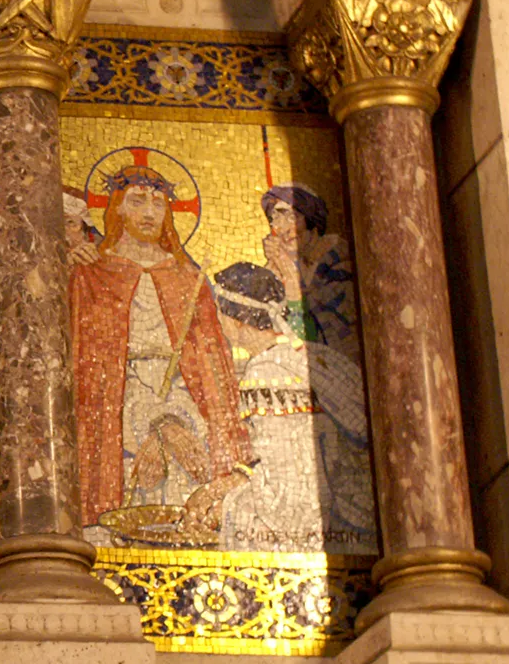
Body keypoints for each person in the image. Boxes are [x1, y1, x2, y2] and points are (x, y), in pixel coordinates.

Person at [69, 166, 253, 537]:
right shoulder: (93, 273)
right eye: (137, 201)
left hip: (186, 416)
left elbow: (210, 371)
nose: (151, 212)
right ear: (117, 208)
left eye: (159, 203)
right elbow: (87, 368)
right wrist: (154, 426)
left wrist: (177, 424)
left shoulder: (188, 279)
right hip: (116, 421)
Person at [212, 261, 378, 553]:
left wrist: (227, 506)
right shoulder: (313, 354)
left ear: (235, 320)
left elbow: (288, 498)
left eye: (219, 312)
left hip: (322, 530)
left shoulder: (266, 373)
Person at [260, 184, 358, 360]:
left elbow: (327, 334)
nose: (285, 229)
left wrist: (289, 276)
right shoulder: (293, 264)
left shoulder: (341, 263)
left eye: (292, 217)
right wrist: (272, 270)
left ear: (312, 218)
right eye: (277, 219)